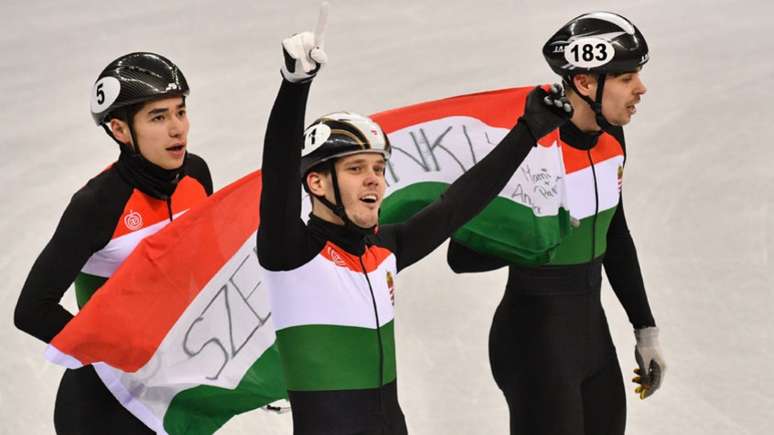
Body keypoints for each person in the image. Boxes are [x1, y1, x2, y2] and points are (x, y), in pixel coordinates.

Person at [256, 6, 574, 434]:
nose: (373, 179)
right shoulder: (291, 254)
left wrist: (527, 132)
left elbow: (456, 205)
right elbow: (277, 172)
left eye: (378, 168)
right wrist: (294, 87)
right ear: (316, 182)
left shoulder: (384, 251)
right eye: (355, 169)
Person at [446, 12, 666, 435]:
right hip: (533, 343)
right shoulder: (529, 147)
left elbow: (615, 235)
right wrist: (542, 234)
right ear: (585, 83)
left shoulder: (611, 136)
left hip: (591, 338)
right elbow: (461, 254)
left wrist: (646, 330)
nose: (640, 88)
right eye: (625, 77)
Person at [14, 52, 213, 434]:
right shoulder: (97, 205)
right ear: (120, 130)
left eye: (180, 111)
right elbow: (32, 310)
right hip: (102, 406)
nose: (178, 129)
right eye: (158, 116)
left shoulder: (197, 176)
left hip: (172, 391)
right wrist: (115, 354)